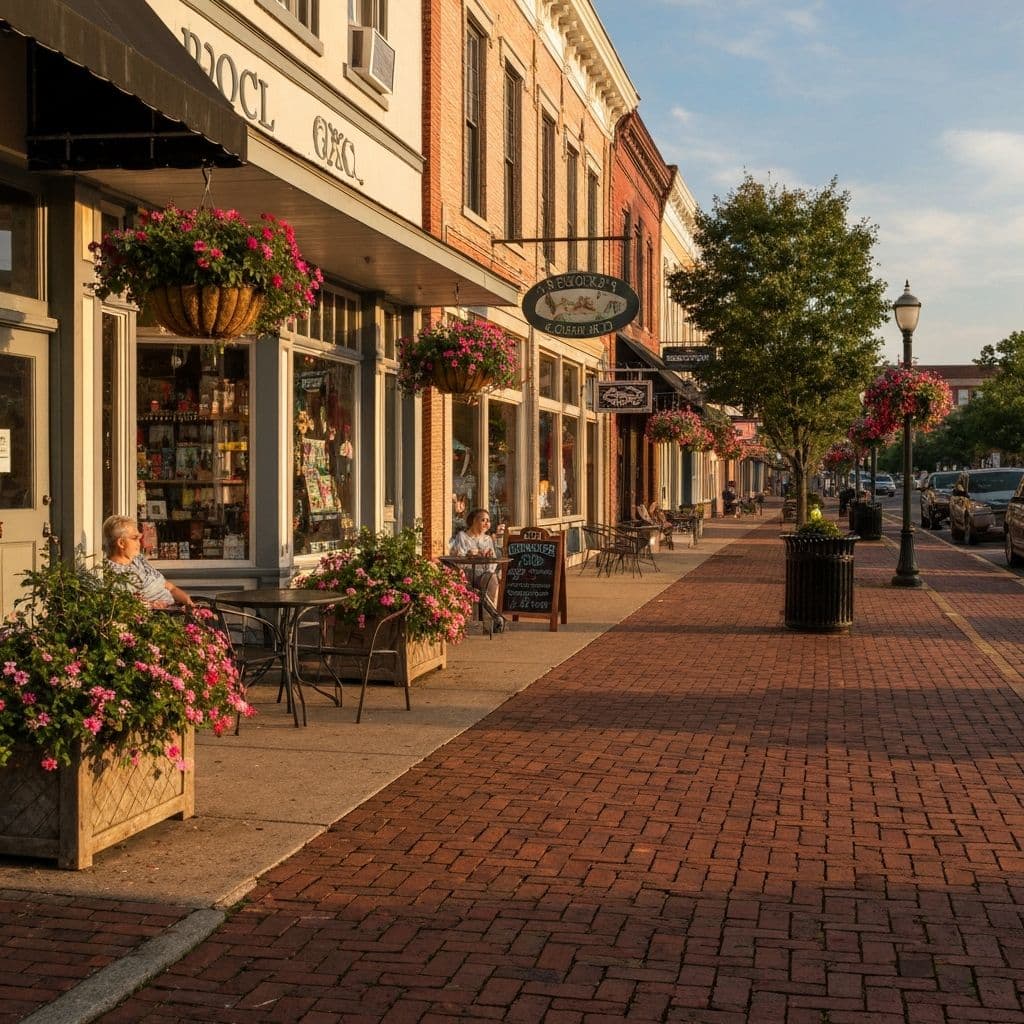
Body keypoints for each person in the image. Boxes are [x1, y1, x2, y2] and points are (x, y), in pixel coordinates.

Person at [102, 514, 193, 609]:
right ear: (121, 543)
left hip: (175, 607)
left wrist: (188, 602)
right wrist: (153, 606)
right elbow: (130, 609)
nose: (140, 542)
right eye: (135, 538)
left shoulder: (138, 559)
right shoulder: (114, 574)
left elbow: (169, 587)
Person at [449, 507, 505, 633]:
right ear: (474, 521)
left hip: (482, 573)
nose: (486, 523)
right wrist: (470, 554)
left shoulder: (488, 539)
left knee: (492, 579)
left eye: (488, 520)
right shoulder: (462, 537)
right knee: (466, 583)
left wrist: (489, 563)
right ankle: (480, 620)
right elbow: (458, 558)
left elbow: (493, 562)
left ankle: (488, 624)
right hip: (466, 573)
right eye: (483, 520)